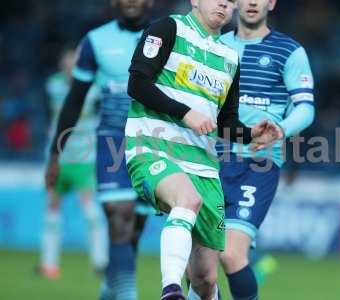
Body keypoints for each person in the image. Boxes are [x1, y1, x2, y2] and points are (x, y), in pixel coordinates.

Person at [125, 0, 277, 299]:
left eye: (231, 0)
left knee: (206, 278)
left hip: (204, 167)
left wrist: (250, 135)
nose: (223, 3)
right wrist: (184, 112)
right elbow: (137, 84)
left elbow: (225, 122)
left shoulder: (230, 57)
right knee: (186, 199)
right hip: (154, 149)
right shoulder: (168, 28)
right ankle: (170, 290)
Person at [45, 0, 154, 299]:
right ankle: (127, 295)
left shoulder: (168, 35)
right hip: (112, 142)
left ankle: (111, 287)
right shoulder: (95, 41)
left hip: (155, 142)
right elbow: (74, 100)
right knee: (119, 216)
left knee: (135, 228)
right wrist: (56, 154)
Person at [218, 1, 315, 299]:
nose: (252, 2)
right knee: (198, 261)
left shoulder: (290, 51)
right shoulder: (215, 46)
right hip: (213, 160)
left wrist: (281, 130)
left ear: (271, 3)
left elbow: (305, 109)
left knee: (232, 255)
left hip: (259, 163)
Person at [39, 48, 107, 279]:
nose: (71, 67)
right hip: (58, 158)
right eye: (67, 63)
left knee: (90, 211)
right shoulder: (52, 86)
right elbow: (48, 117)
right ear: (61, 65)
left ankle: (100, 262)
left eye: (75, 63)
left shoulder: (95, 88)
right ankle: (49, 265)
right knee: (52, 209)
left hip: (84, 158)